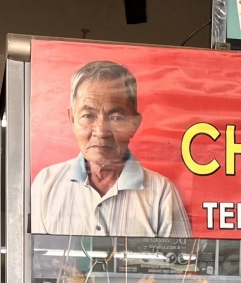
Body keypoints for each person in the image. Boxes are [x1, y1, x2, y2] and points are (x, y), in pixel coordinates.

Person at [31, 59, 191, 238]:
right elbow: (36, 262)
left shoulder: (161, 193)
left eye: (116, 117)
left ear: (134, 124)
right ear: (72, 119)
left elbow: (183, 264)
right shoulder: (46, 184)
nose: (101, 131)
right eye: (88, 115)